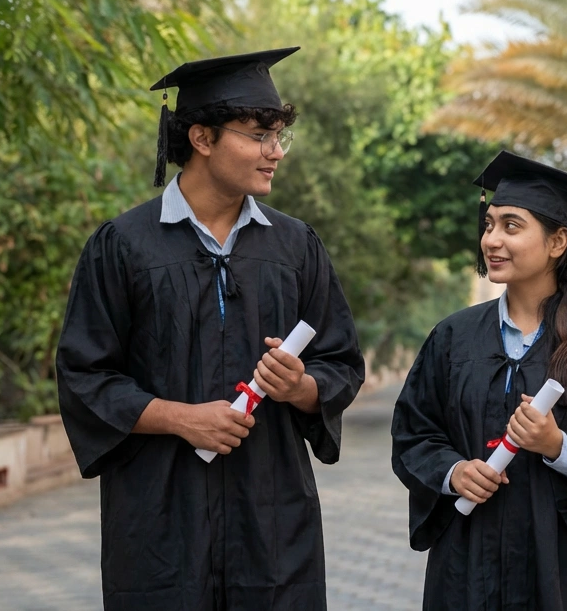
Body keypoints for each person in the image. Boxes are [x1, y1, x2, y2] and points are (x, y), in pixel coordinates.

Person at [57, 47, 365, 611]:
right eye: (258, 135)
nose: (275, 153)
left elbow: (341, 361)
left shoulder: (295, 247)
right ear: (202, 138)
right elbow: (85, 374)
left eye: (279, 138)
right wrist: (181, 418)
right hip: (160, 514)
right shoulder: (124, 246)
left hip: (271, 514)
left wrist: (301, 387)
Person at [391, 150, 567, 610]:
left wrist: (559, 446)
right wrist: (453, 472)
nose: (492, 240)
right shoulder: (453, 338)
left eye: (511, 226)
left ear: (557, 242)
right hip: (469, 566)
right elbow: (414, 433)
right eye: (490, 224)